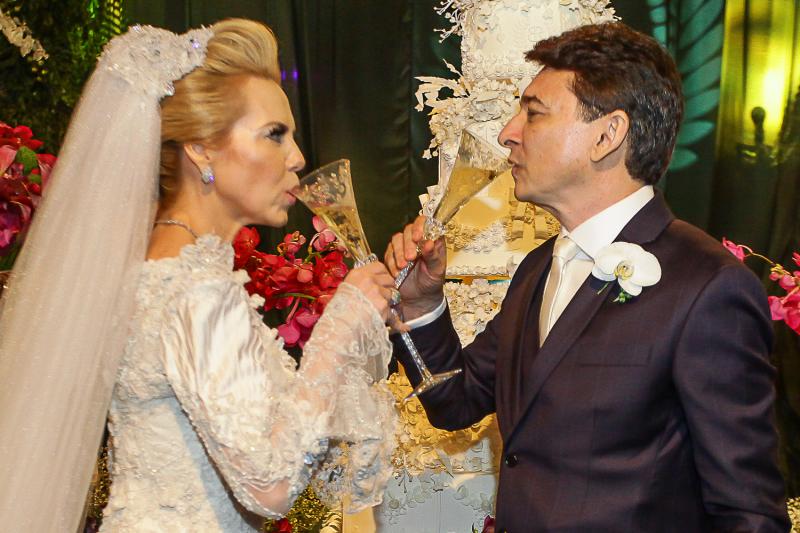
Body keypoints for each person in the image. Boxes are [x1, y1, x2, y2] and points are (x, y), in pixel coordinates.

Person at [386, 22, 790, 532]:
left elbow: (749, 513)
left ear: (607, 135)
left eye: (533, 112)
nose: (508, 132)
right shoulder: (538, 269)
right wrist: (422, 303)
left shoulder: (707, 286)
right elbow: (454, 400)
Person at [0, 19, 398, 531]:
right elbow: (271, 485)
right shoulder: (199, 291)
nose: (298, 157)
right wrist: (339, 330)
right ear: (201, 148)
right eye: (274, 134)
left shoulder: (153, 269)